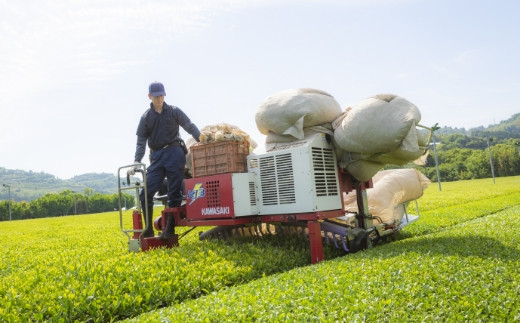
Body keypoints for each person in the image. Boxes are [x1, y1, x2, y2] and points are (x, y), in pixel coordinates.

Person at [131, 82, 200, 239]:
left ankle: (169, 229)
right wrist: (137, 160)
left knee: (174, 192)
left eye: (161, 95)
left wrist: (201, 139)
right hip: (156, 157)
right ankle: (148, 228)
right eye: (156, 96)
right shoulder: (146, 118)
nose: (159, 98)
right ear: (149, 96)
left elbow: (189, 125)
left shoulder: (174, 111)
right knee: (145, 193)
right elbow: (141, 141)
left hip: (175, 152)